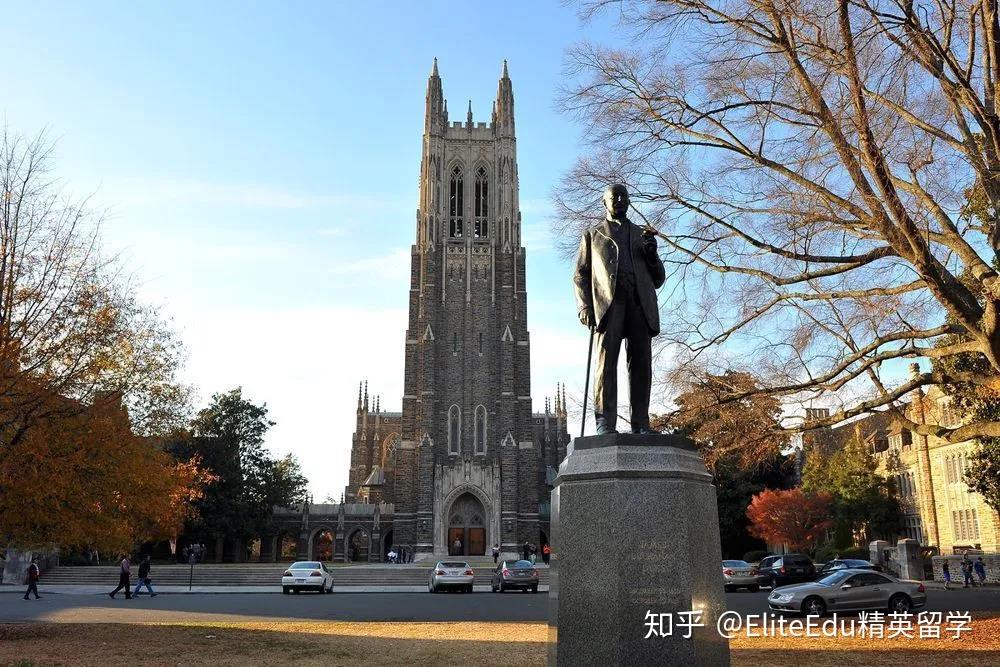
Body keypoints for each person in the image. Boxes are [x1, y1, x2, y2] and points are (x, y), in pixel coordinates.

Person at [574, 183, 666, 435]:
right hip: (608, 305)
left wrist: (652, 256)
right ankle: (605, 422)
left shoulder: (642, 235)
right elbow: (581, 275)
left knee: (641, 364)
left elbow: (658, 279)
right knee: (606, 364)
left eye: (624, 196)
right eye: (614, 197)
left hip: (639, 304)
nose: (620, 200)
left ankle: (641, 423)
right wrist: (584, 305)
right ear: (605, 202)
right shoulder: (593, 236)